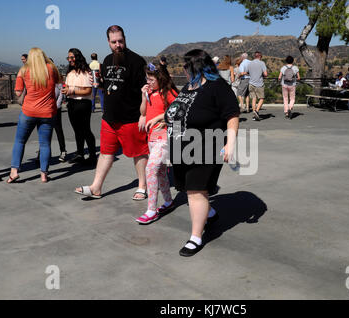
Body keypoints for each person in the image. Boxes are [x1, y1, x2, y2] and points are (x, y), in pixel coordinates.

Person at [164, 49, 240, 257]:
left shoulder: (218, 87)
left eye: (186, 66)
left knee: (196, 191)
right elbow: (179, 112)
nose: (183, 70)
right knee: (187, 188)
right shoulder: (189, 86)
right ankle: (210, 212)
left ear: (196, 67)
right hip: (182, 148)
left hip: (207, 146)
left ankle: (196, 237)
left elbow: (232, 114)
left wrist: (230, 143)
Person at [74, 25, 149, 200]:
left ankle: (142, 186)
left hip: (131, 118)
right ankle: (96, 187)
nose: (118, 45)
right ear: (108, 42)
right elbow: (107, 86)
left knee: (138, 153)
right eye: (114, 42)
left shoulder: (137, 61)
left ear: (125, 39)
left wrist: (144, 115)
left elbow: (145, 90)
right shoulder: (107, 61)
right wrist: (98, 83)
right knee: (106, 153)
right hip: (109, 118)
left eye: (120, 41)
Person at [8, 47, 61, 183]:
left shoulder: (24, 70)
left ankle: (14, 172)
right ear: (43, 56)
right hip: (47, 112)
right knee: (45, 144)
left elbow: (18, 93)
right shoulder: (51, 68)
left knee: (20, 141)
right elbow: (59, 82)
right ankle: (44, 174)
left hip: (28, 111)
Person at [135, 62, 178, 224]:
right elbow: (143, 112)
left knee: (151, 169)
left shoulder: (169, 92)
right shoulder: (150, 93)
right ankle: (168, 201)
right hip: (152, 137)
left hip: (164, 137)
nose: (149, 82)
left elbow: (177, 110)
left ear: (161, 78)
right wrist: (143, 96)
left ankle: (151, 209)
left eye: (152, 79)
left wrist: (163, 120)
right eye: (147, 79)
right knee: (160, 172)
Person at [63, 48, 97, 166]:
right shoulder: (69, 73)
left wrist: (72, 90)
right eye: (69, 58)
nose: (70, 60)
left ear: (78, 57)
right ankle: (80, 154)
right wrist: (66, 91)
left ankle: (92, 156)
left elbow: (87, 91)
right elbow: (66, 87)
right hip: (72, 103)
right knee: (77, 130)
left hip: (83, 104)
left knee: (86, 130)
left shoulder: (86, 72)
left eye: (72, 57)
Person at [246, 51, 267, 121]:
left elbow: (247, 72)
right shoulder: (262, 63)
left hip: (251, 83)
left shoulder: (250, 63)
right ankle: (256, 111)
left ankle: (254, 114)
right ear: (260, 56)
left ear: (255, 56)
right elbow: (266, 74)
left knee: (254, 99)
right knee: (262, 98)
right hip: (259, 84)